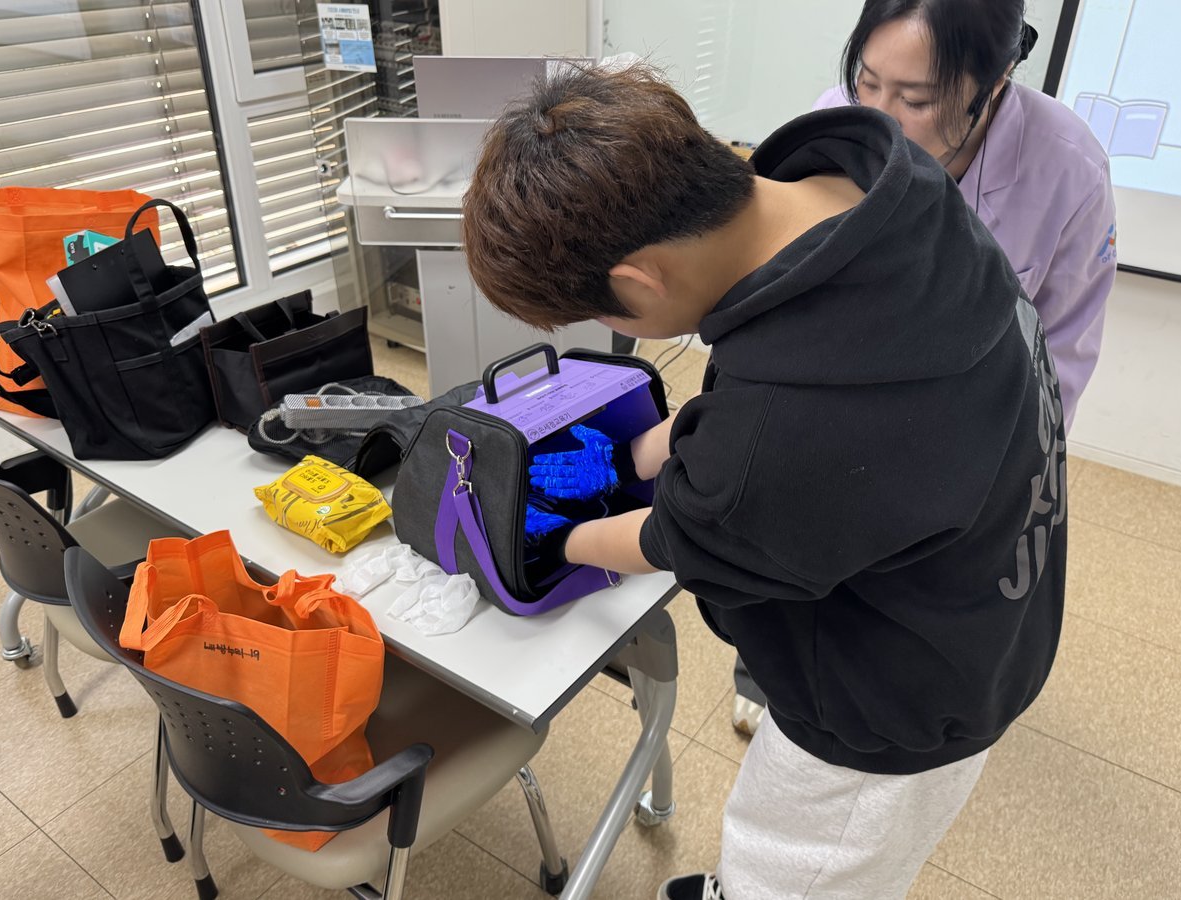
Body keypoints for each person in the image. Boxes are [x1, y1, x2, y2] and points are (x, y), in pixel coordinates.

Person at [462, 61, 1066, 900]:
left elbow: (680, 534)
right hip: (984, 598)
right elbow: (763, 403)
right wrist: (633, 457)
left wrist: (549, 540)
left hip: (891, 710)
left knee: (803, 862)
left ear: (638, 282)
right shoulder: (880, 192)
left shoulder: (781, 440)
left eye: (598, 312)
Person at [730, 0, 1115, 737]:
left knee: (908, 595)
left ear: (993, 84)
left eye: (915, 99)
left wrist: (1000, 470)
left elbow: (1062, 344)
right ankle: (762, 672)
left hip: (969, 430)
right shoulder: (833, 125)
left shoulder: (1068, 169)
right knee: (793, 537)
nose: (878, 118)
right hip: (835, 395)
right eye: (868, 82)